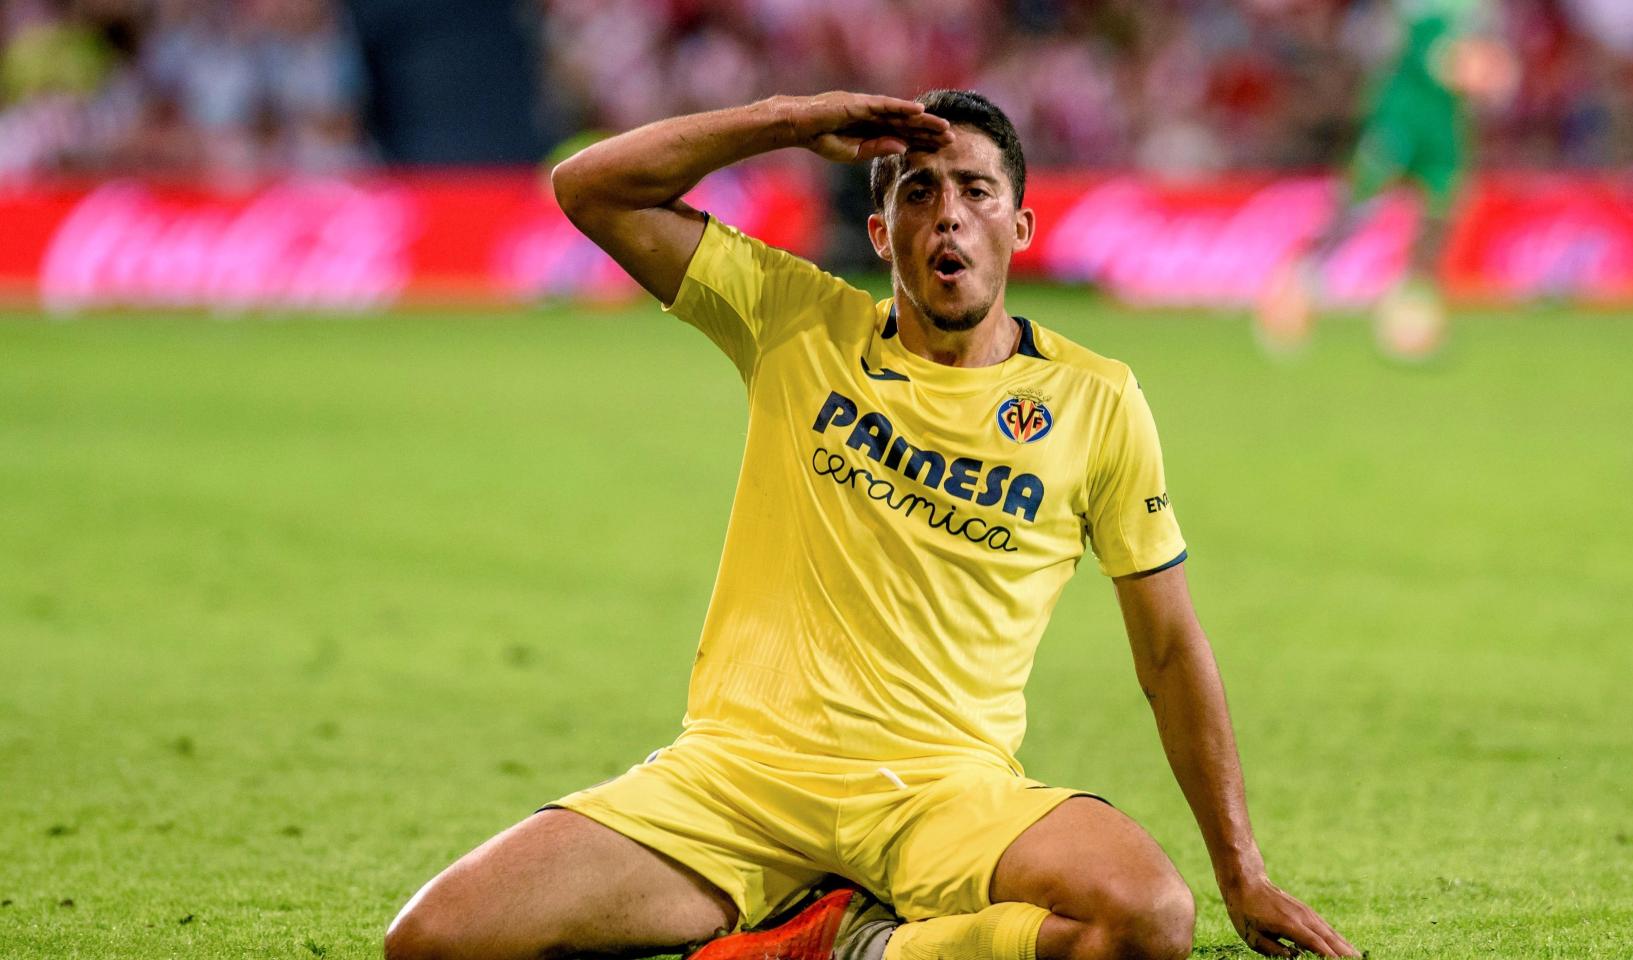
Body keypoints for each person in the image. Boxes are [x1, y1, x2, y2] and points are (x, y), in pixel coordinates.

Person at [384, 89, 1361, 960]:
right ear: (881, 230)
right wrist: (790, 122)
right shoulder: (793, 320)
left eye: (976, 192)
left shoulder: (1096, 402)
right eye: (919, 192)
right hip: (736, 784)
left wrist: (1239, 870)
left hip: (941, 796)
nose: (949, 216)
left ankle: (847, 941)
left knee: (1146, 918)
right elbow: (590, 188)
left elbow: (1167, 647)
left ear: (1018, 227)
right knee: (433, 941)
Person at [1257, 0, 1515, 360]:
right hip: (1402, 112)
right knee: (1357, 207)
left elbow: (1485, 59)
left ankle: (1411, 307)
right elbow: (1443, 59)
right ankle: (1296, 288)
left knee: (1442, 210)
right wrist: (1484, 70)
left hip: (1445, 121)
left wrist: (1490, 68)